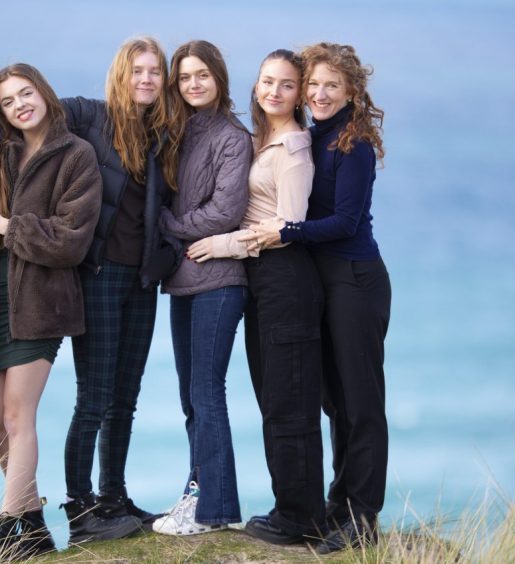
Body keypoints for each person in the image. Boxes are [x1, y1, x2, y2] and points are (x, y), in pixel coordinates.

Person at [0, 37, 179, 544]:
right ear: (120, 75)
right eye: (138, 71)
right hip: (99, 273)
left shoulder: (166, 132)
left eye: (155, 71)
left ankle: (114, 497)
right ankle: (80, 507)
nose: (146, 80)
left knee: (125, 398)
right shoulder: (89, 116)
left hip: (142, 278)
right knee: (94, 397)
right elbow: (2, 121)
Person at [243, 42, 391, 554]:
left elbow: (346, 222)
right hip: (324, 284)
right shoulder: (310, 137)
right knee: (334, 402)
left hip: (355, 279)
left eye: (332, 85)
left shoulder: (354, 144)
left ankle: (363, 516)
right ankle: (339, 505)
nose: (320, 94)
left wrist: (286, 231)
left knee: (361, 402)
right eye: (313, 86)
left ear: (351, 91)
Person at [188, 49, 326, 545]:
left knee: (290, 400)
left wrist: (222, 243)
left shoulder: (293, 149)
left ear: (298, 94)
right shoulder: (260, 139)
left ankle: (300, 518)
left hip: (286, 278)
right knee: (273, 397)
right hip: (263, 282)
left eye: (286, 85)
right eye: (267, 81)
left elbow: (288, 227)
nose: (273, 91)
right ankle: (290, 506)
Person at [0, 63, 102, 560]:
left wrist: (5, 226)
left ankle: (5, 528)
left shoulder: (77, 155)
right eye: (8, 101)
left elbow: (70, 240)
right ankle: (32, 531)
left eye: (27, 93)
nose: (20, 104)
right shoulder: (1, 151)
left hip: (43, 299)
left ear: (44, 93)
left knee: (17, 413)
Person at [151, 39, 252, 536]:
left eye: (202, 75)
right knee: (192, 396)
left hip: (220, 282)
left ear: (219, 77)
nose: (193, 84)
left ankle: (213, 508)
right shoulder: (176, 130)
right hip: (182, 281)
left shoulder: (234, 137)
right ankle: (199, 493)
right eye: (185, 77)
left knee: (207, 392)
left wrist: (166, 222)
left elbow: (225, 213)